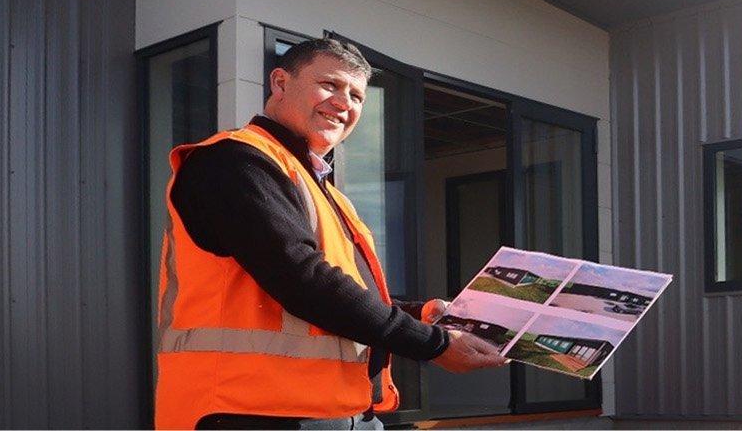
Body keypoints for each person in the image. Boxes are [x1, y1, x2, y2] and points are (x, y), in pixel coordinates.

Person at [155, 37, 505, 429]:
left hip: (335, 411)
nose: (344, 103)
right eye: (330, 85)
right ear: (281, 83)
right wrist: (433, 344)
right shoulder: (234, 162)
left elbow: (339, 288)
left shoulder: (321, 189)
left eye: (356, 95)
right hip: (249, 413)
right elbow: (303, 280)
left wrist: (422, 316)